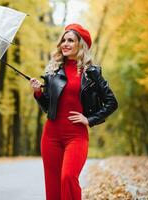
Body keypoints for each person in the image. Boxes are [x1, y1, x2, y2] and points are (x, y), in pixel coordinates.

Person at [29, 23, 118, 200]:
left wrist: (89, 119)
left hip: (76, 136)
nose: (65, 44)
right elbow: (48, 107)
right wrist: (38, 92)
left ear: (81, 45)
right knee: (53, 186)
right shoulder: (53, 71)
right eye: (63, 40)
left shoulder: (91, 73)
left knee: (68, 177)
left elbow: (111, 102)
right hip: (51, 136)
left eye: (70, 40)